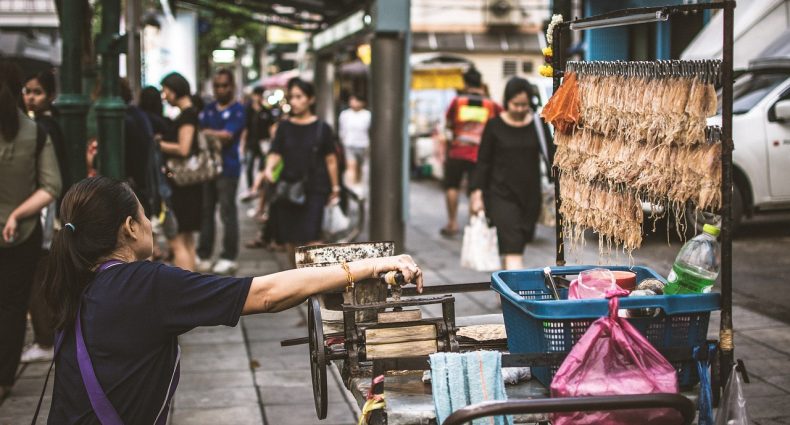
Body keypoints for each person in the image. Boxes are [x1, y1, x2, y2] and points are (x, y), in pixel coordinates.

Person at [42, 176, 423, 423]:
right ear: (129, 227)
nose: (150, 224)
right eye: (145, 215)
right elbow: (266, 294)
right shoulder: (145, 285)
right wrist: (369, 265)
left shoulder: (80, 283)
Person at [0, 60, 62, 400]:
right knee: (11, 306)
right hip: (21, 234)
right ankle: (4, 377)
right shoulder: (35, 132)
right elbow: (51, 185)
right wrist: (17, 214)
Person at [469, 77, 551, 270]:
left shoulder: (538, 125)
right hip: (500, 195)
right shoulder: (494, 126)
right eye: (516, 104)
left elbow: (551, 156)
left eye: (524, 104)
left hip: (530, 198)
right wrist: (476, 193)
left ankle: (504, 292)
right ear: (507, 102)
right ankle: (516, 296)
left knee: (515, 246)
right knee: (513, 245)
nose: (521, 109)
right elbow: (483, 162)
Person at [261, 77, 341, 267]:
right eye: (292, 97)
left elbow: (331, 160)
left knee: (312, 238)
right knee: (291, 241)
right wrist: (269, 168)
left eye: (299, 96)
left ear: (310, 99)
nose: (294, 101)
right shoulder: (284, 127)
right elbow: (275, 152)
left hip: (315, 189)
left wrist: (336, 187)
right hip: (288, 188)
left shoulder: (322, 128)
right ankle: (297, 277)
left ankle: (313, 283)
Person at [19, 69, 67, 364]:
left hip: (46, 212)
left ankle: (45, 337)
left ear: (50, 95)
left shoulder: (42, 129)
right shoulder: (46, 125)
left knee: (39, 273)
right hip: (49, 210)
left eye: (37, 92)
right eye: (27, 91)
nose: (31, 97)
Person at [440, 67, 502, 237]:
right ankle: (471, 224)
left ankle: (452, 223)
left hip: (458, 150)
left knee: (452, 186)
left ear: (465, 83)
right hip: (480, 153)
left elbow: (448, 123)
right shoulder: (490, 104)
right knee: (475, 188)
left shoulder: (458, 101)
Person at [196, 68, 246, 275]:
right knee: (206, 212)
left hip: (228, 168)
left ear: (232, 86)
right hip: (207, 169)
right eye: (217, 85)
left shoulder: (238, 110)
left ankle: (228, 256)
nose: (220, 89)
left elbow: (226, 135)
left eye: (224, 85)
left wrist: (208, 133)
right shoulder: (209, 109)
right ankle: (204, 253)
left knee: (227, 212)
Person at [157, 72, 202, 272]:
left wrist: (160, 144)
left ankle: (186, 289)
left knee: (178, 240)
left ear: (174, 90)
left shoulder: (187, 115)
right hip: (189, 186)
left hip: (182, 186)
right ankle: (193, 287)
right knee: (187, 239)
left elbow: (183, 149)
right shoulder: (190, 113)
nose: (164, 96)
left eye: (165, 91)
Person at [241, 86, 275, 197]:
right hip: (251, 142)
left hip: (263, 143)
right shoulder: (248, 110)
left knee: (262, 167)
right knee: (249, 166)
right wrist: (243, 144)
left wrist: (272, 141)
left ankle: (259, 187)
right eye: (257, 95)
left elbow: (271, 128)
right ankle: (251, 187)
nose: (258, 98)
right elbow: (245, 128)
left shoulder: (266, 111)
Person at [338, 93, 371, 191]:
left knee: (360, 167)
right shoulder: (345, 114)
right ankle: (351, 189)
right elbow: (342, 130)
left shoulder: (367, 115)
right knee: (351, 166)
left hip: (363, 144)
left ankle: (358, 188)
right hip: (349, 144)